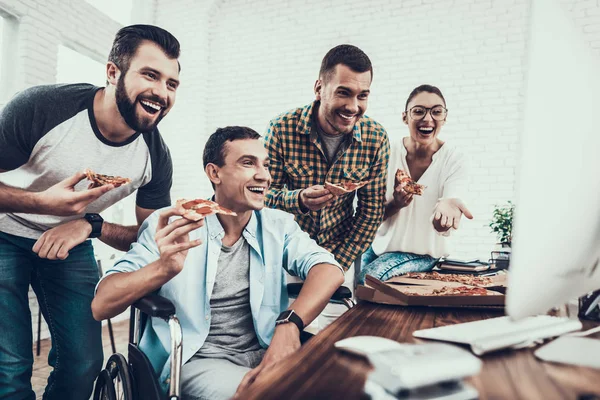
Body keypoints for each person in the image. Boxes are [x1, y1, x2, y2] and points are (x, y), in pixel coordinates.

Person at [92, 126, 345, 400]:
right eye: (248, 163)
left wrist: (290, 324)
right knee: (269, 394)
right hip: (196, 359)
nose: (264, 175)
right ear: (215, 173)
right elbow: (102, 304)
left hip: (268, 349)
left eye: (266, 165)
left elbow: (329, 270)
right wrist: (163, 269)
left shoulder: (278, 225)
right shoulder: (174, 226)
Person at [0, 24, 181, 399]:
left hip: (70, 247)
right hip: (3, 233)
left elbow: (149, 238)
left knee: (83, 365)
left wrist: (91, 225)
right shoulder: (41, 108)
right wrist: (41, 203)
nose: (161, 92)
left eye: (171, 83)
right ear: (113, 72)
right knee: (10, 368)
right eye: (150, 75)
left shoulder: (154, 157)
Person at [264, 45, 390, 323]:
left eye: (363, 95)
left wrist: (335, 266)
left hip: (340, 259)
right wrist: (297, 200)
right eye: (343, 92)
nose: (353, 106)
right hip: (285, 260)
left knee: (329, 346)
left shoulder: (376, 138)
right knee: (283, 341)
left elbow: (371, 214)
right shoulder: (281, 129)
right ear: (319, 88)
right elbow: (259, 198)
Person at [359, 84, 473, 284]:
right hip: (379, 247)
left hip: (423, 254)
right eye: (418, 111)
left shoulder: (454, 159)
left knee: (366, 280)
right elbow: (368, 218)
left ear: (444, 117)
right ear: (405, 117)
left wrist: (445, 212)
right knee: (345, 283)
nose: (428, 119)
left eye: (436, 112)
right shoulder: (386, 153)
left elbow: (451, 201)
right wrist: (396, 204)